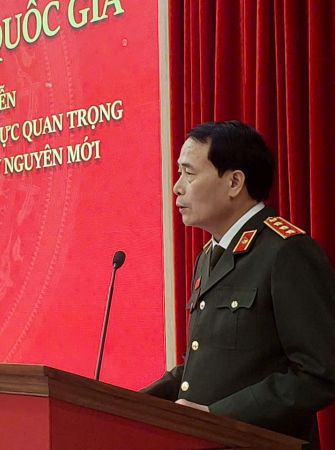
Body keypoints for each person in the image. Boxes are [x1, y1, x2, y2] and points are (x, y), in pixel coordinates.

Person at [141, 121, 335, 449]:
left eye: (189, 173)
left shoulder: (286, 252)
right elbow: (202, 365)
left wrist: (220, 416)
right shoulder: (209, 256)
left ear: (234, 182)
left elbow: (320, 373)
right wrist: (126, 403)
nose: (177, 187)